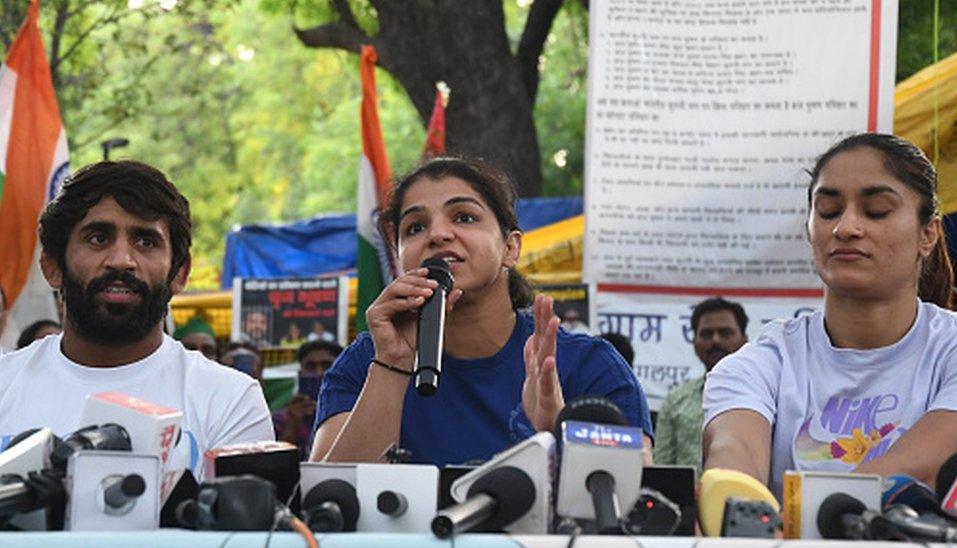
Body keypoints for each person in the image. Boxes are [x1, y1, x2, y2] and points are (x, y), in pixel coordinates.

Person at [310, 157, 652, 465]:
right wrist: (393, 365)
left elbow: (633, 505)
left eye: (464, 217)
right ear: (399, 259)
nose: (438, 234)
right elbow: (326, 502)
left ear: (510, 247)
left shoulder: (587, 365)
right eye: (415, 227)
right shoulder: (365, 362)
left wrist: (555, 437)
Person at [702, 133, 957, 499]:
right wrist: (736, 506)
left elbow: (932, 460)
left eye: (876, 210)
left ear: (928, 234)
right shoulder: (761, 363)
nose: (845, 228)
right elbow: (733, 463)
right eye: (828, 211)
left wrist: (802, 523)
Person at [0, 161, 273, 480]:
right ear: (52, 266)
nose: (121, 261)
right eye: (98, 238)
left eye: (146, 241)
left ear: (180, 273)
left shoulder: (229, 400)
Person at [656, 297, 748, 474]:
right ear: (694, 342)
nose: (715, 341)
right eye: (706, 334)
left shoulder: (764, 397)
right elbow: (663, 468)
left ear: (744, 339)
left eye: (725, 333)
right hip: (687, 501)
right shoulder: (675, 400)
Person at [274, 340, 342, 457]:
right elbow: (277, 460)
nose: (319, 372)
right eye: (311, 366)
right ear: (301, 373)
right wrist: (293, 423)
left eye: (327, 366)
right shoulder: (280, 419)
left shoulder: (354, 414)